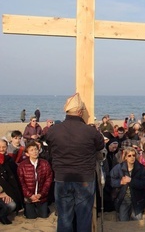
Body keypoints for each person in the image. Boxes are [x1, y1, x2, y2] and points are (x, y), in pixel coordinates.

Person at [45, 93, 105, 232]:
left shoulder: (54, 130)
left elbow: (48, 142)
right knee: (84, 217)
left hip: (62, 178)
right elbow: (100, 145)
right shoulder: (90, 131)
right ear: (79, 112)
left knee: (64, 217)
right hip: (84, 178)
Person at [17, 141, 53, 219]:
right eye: (32, 150)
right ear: (27, 153)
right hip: (29, 197)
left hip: (41, 196)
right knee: (31, 217)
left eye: (36, 149)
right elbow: (21, 183)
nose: (35, 152)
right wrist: (30, 195)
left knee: (44, 215)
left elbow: (48, 179)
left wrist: (41, 194)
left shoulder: (45, 163)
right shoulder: (22, 166)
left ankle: (43, 207)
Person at [110, 147, 145, 221]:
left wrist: (131, 181)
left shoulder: (141, 168)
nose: (132, 157)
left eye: (133, 155)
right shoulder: (118, 168)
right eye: (129, 155)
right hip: (123, 199)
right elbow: (111, 181)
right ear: (125, 157)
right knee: (123, 223)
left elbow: (144, 183)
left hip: (137, 199)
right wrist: (120, 182)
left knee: (137, 223)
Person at [0, 138, 23, 225]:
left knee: (12, 205)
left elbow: (14, 177)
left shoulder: (8, 160)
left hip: (6, 191)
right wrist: (1, 194)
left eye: (4, 147)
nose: (2, 149)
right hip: (1, 192)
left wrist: (7, 193)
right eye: (0, 147)